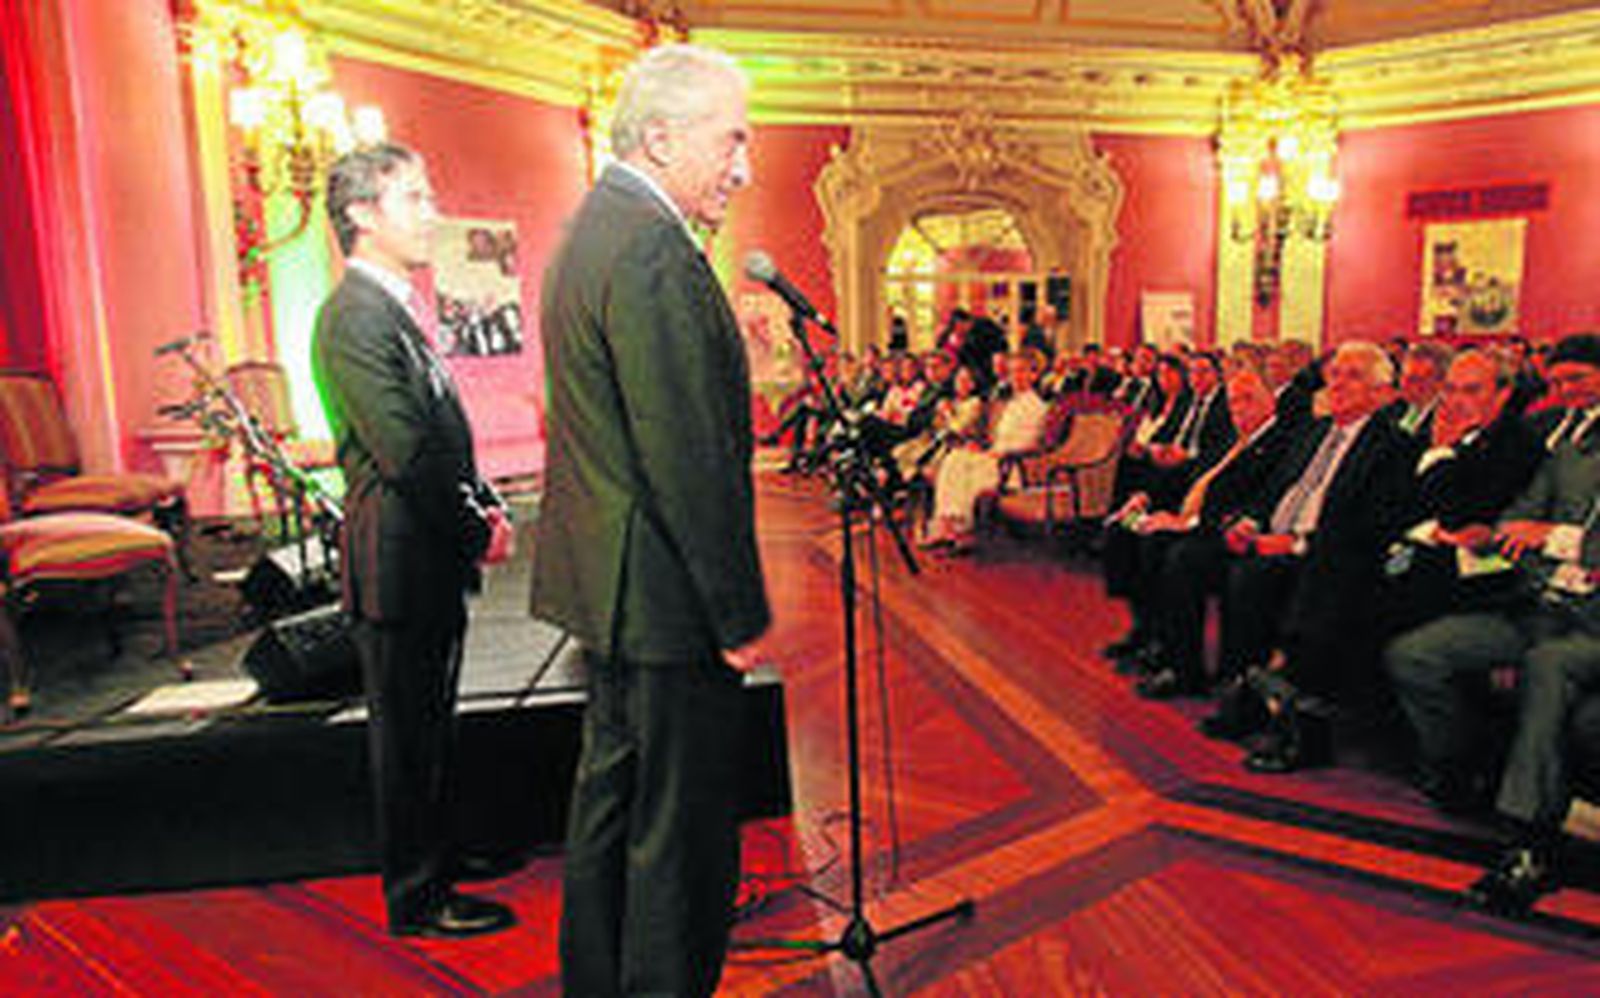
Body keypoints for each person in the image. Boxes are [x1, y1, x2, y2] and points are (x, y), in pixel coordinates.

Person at [530, 44, 772, 997]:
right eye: (733, 140)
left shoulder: (594, 227)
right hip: (666, 596)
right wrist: (738, 613)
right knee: (679, 835)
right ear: (663, 136)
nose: (743, 165)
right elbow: (686, 459)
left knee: (610, 810)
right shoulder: (654, 249)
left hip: (610, 583)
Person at [312, 144, 516, 939]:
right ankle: (417, 898)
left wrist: (484, 502)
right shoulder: (353, 315)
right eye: (414, 197)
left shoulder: (390, 305)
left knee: (431, 722)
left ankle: (443, 852)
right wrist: (476, 528)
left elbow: (442, 437)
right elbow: (405, 451)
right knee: (404, 736)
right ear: (362, 214)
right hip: (396, 557)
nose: (431, 211)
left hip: (424, 551)